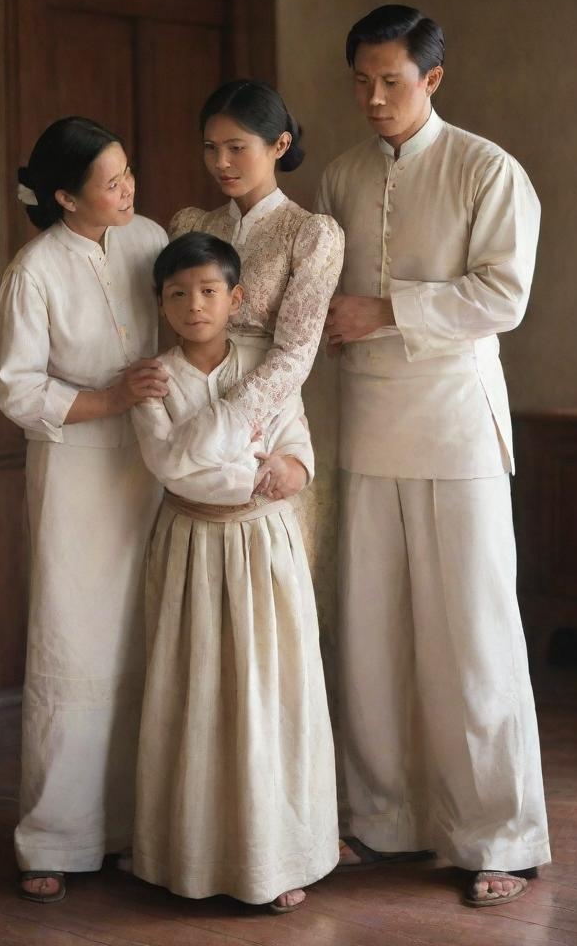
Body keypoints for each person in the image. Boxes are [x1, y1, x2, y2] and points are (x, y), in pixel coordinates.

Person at [317, 4, 551, 907]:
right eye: (362, 83)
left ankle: (500, 835)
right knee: (373, 631)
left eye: (392, 81)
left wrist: (385, 310)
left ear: (433, 80)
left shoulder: (487, 169)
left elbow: (505, 294)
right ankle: (382, 818)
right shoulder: (338, 175)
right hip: (368, 424)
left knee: (473, 632)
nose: (374, 99)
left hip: (458, 425)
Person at [130, 232, 339, 914]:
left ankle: (282, 856)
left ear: (236, 298)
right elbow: (172, 466)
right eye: (178, 294)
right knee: (198, 692)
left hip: (265, 551)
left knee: (271, 693)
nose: (195, 306)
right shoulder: (154, 379)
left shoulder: (266, 365)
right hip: (194, 550)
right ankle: (188, 855)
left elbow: (294, 433)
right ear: (161, 304)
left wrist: (291, 466)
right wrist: (248, 465)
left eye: (210, 291)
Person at [0, 116, 168, 904]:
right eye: (110, 180)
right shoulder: (33, 271)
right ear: (66, 196)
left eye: (128, 171)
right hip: (74, 471)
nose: (128, 188)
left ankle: (141, 826)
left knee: (146, 636)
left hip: (157, 464)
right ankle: (55, 837)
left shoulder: (153, 240)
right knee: (72, 640)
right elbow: (18, 389)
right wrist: (105, 398)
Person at [169, 79, 344, 501]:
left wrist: (228, 418)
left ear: (279, 145)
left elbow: (297, 352)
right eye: (210, 148)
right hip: (190, 392)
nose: (221, 162)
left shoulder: (309, 234)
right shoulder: (193, 226)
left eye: (236, 147)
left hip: (266, 413)